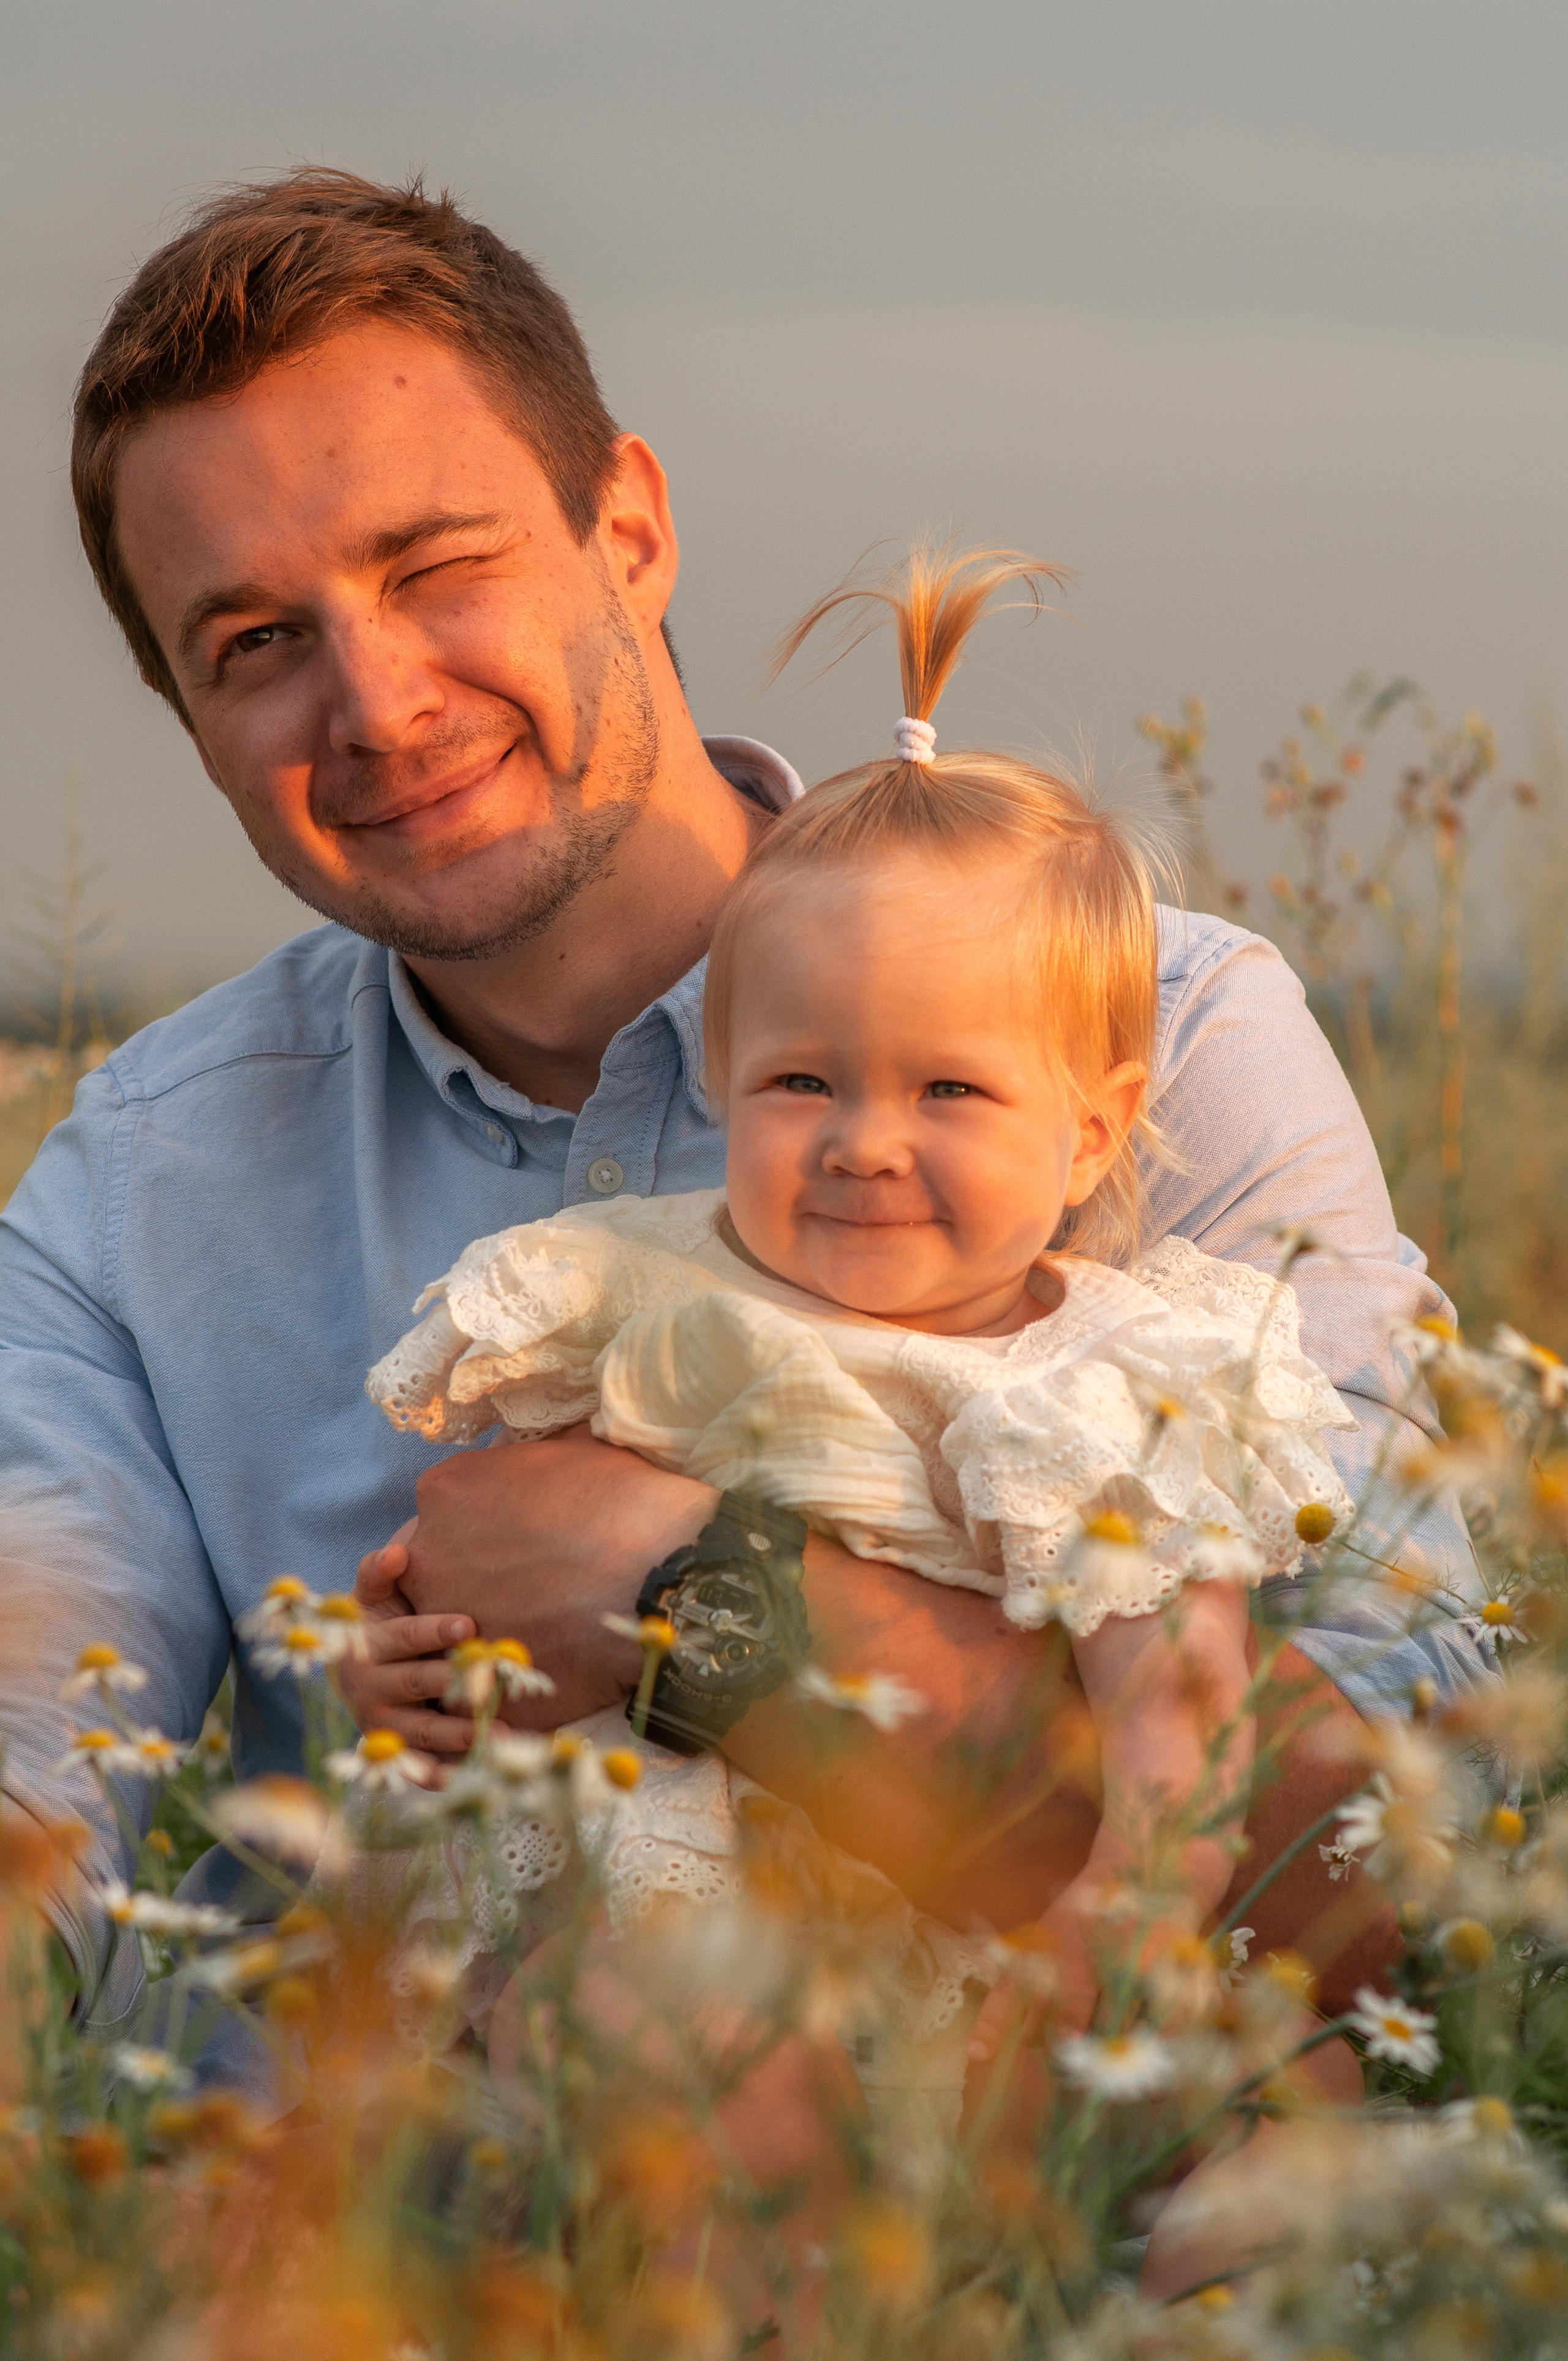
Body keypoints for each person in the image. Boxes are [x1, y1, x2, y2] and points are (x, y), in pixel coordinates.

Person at [5, 170, 1487, 2088]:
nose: (374, 704)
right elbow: (35, 1741)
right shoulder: (136, 1188)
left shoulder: (1147, 1033)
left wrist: (690, 1588)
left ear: (629, 529)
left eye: (433, 566)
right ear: (189, 712)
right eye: (254, 642)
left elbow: (1384, 1837)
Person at [357, 547, 1360, 2154]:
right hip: (670, 1906)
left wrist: (1130, 1899)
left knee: (1292, 2105)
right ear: (726, 1080)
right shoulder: (643, 1291)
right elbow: (490, 1571)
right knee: (683, 2064)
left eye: (948, 1092)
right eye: (801, 1084)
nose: (862, 1146)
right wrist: (405, 1674)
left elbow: (1178, 1702)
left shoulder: (1122, 1379)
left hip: (997, 1922)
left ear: (1090, 1134)